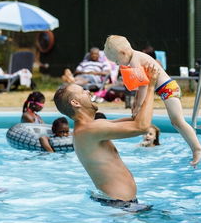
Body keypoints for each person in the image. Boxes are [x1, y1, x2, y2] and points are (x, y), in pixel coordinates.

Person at [53, 65, 159, 208]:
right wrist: (152, 86)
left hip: (120, 204)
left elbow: (136, 119)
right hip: (119, 206)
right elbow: (142, 127)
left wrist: (142, 85)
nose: (88, 92)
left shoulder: (93, 126)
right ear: (75, 103)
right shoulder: (89, 130)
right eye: (82, 91)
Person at [104, 35, 201, 167]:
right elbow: (140, 87)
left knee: (178, 121)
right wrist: (136, 103)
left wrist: (139, 106)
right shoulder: (136, 57)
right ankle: (196, 148)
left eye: (117, 61)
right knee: (176, 123)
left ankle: (198, 148)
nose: (119, 64)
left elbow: (143, 86)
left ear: (123, 53)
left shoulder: (135, 61)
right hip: (166, 89)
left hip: (168, 88)